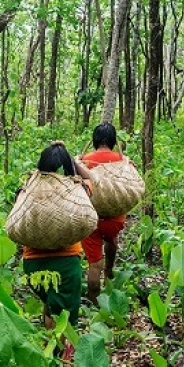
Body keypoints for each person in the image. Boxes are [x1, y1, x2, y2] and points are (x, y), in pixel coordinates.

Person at [21, 141, 94, 337]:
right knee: (62, 315)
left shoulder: (27, 189)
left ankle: (49, 351)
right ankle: (58, 357)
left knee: (50, 304)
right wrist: (71, 159)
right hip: (65, 263)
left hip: (32, 264)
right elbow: (90, 178)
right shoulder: (77, 190)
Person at [79, 123, 130, 302]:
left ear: (94, 140)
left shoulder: (84, 160)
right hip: (114, 218)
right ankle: (109, 272)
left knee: (94, 264)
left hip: (90, 219)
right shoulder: (121, 160)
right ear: (113, 141)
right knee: (112, 239)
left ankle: (94, 301)